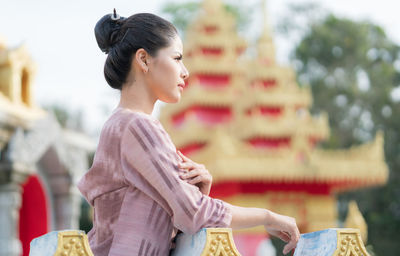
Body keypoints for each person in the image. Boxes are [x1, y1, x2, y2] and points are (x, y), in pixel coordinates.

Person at [77, 10, 300, 256]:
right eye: (177, 58)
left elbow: (163, 221)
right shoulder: (139, 126)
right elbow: (194, 213)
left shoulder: (116, 125)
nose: (185, 72)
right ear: (143, 59)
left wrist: (197, 190)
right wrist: (267, 216)